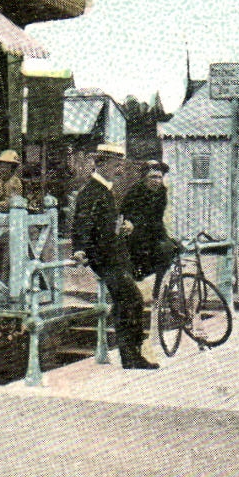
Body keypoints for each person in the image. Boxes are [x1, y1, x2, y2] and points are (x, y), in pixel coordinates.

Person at [72, 142, 159, 370]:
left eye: (120, 165)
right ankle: (131, 357)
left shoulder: (105, 189)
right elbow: (82, 223)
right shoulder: (92, 191)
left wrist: (122, 227)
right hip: (105, 258)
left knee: (127, 302)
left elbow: (103, 223)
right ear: (102, 164)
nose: (120, 170)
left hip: (114, 256)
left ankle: (130, 356)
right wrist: (79, 249)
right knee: (132, 301)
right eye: (116, 165)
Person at [122, 160, 179, 287]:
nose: (157, 181)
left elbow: (157, 219)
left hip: (152, 234)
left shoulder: (161, 192)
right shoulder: (134, 193)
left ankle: (160, 290)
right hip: (134, 237)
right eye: (153, 177)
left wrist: (165, 238)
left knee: (172, 249)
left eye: (160, 177)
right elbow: (128, 219)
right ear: (144, 178)